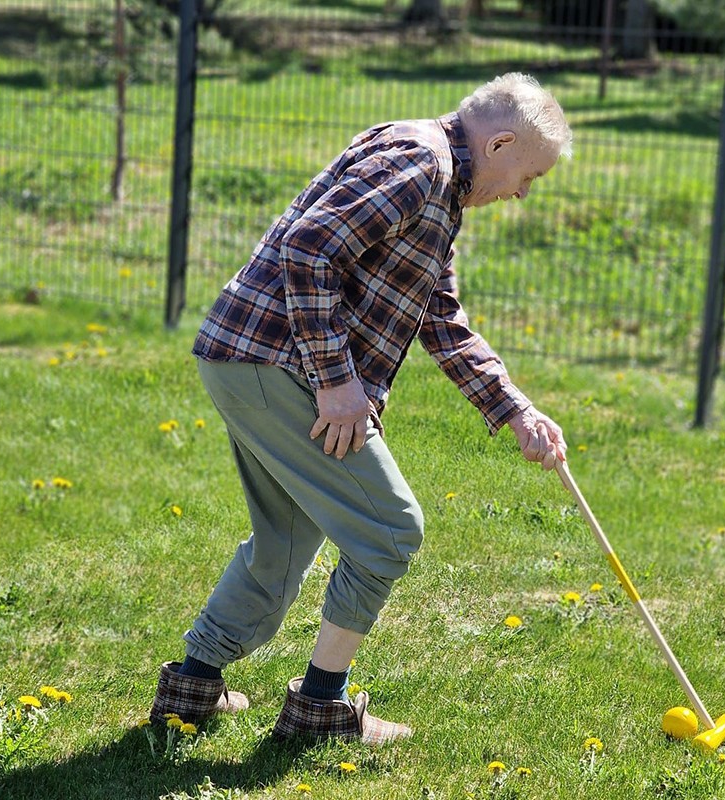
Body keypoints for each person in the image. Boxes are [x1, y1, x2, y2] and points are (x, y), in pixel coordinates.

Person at [149, 72, 571, 745]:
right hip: (278, 365)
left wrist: (514, 409)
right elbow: (309, 247)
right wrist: (335, 381)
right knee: (389, 531)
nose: (521, 194)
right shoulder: (420, 166)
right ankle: (321, 706)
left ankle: (193, 685)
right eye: (530, 177)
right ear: (497, 144)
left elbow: (439, 314)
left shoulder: (438, 182)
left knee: (285, 539)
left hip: (249, 360)